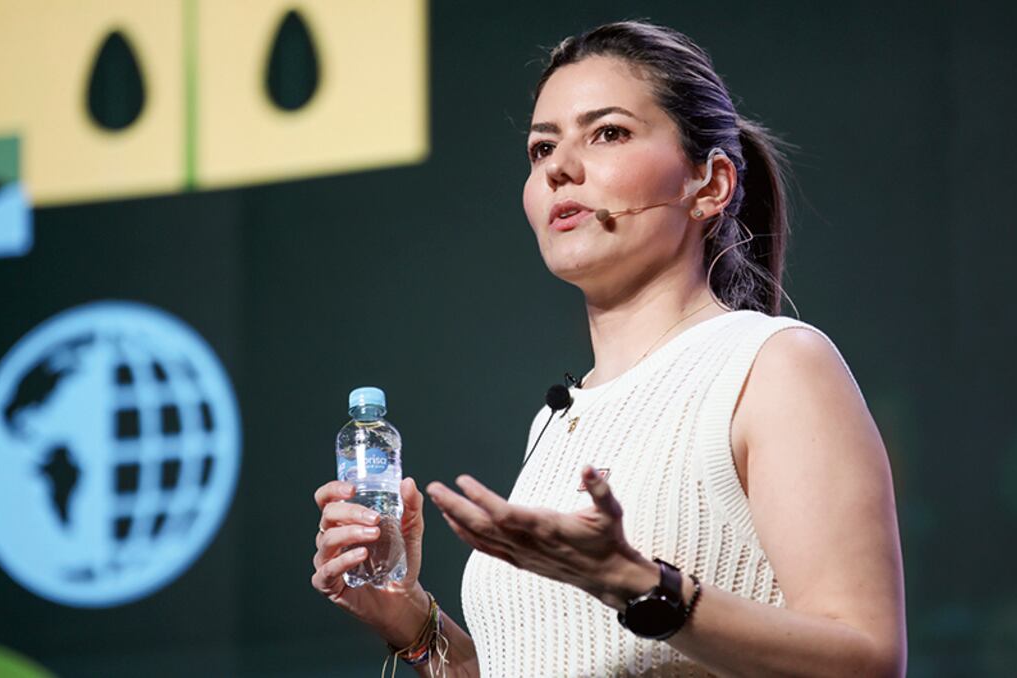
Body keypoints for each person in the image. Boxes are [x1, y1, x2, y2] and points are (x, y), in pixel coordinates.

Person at [312, 20, 905, 677]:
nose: (559, 167)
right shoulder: (558, 420)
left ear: (709, 184)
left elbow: (868, 660)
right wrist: (412, 621)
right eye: (542, 148)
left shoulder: (773, 365)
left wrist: (636, 584)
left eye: (608, 133)